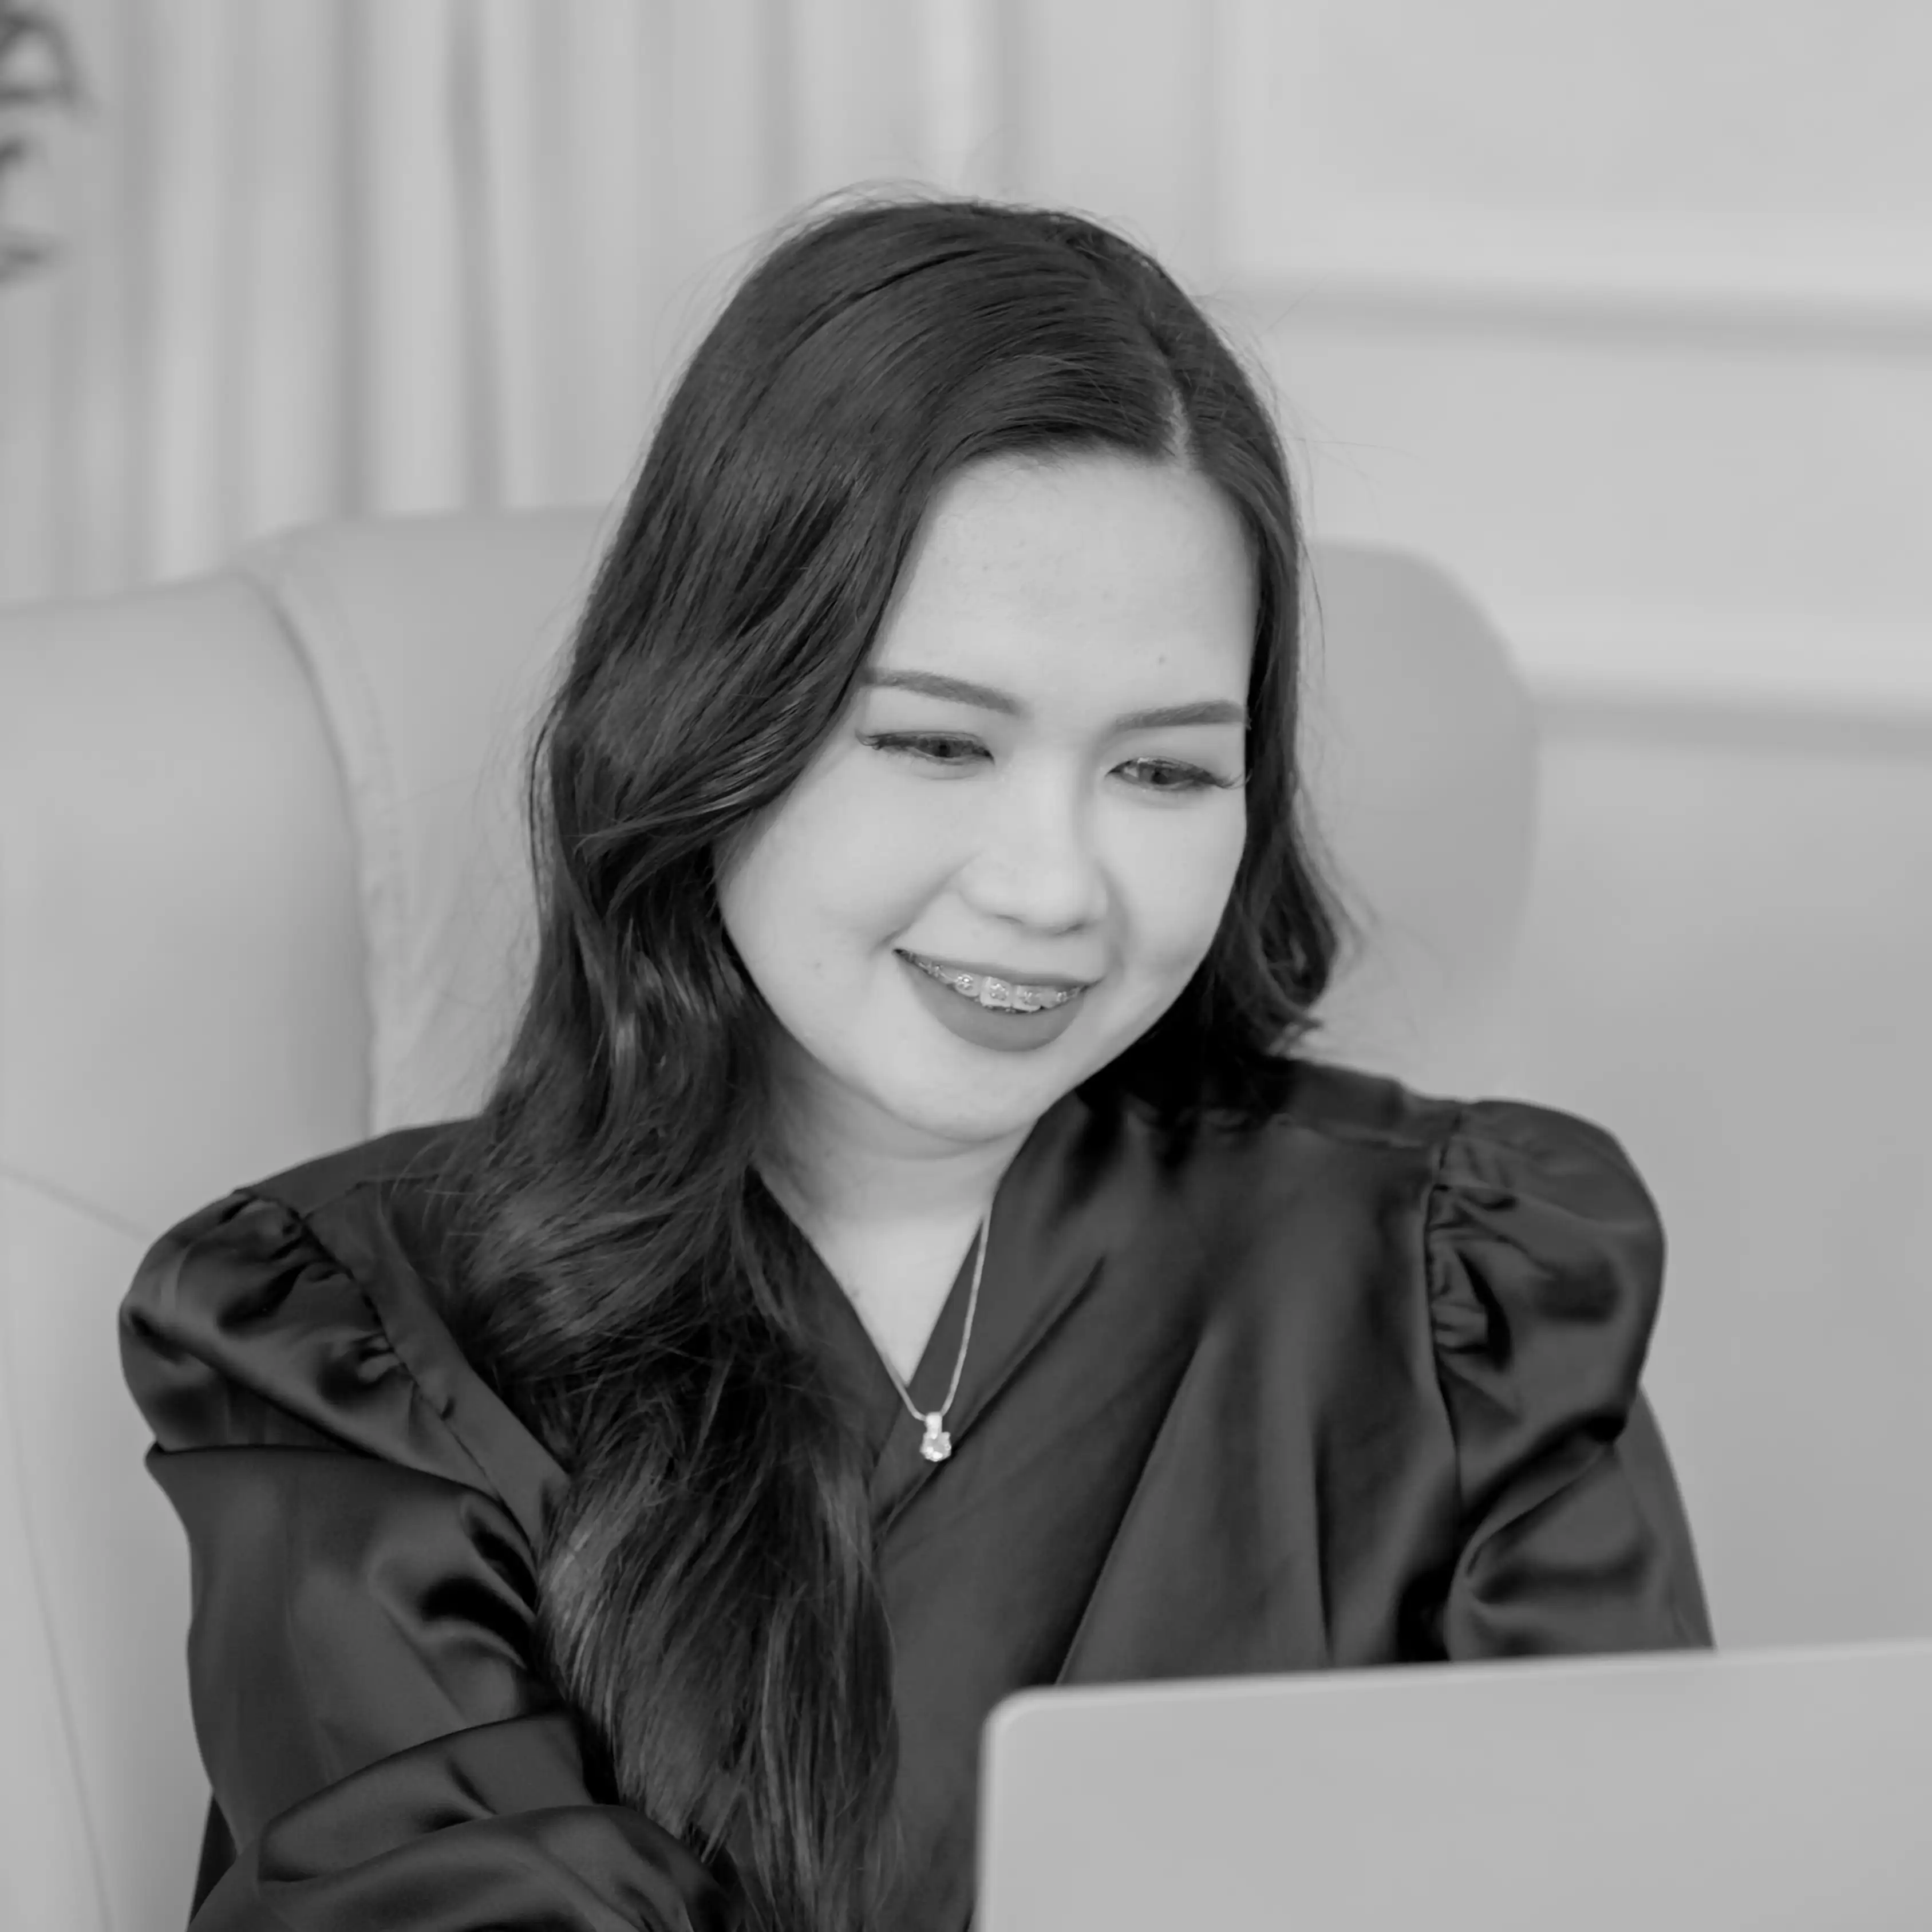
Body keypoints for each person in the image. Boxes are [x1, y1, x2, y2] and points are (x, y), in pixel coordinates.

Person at [120, 193, 1713, 1932]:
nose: (1052, 888)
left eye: (1165, 771)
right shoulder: (359, 1342)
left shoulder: (1463, 1295)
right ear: (705, 721)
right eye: (938, 743)